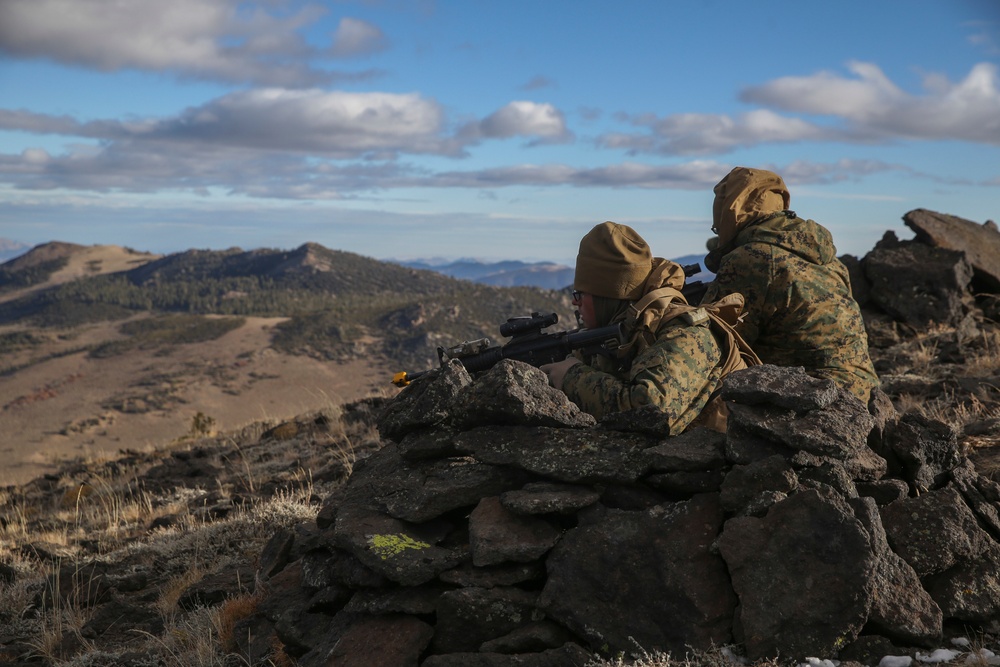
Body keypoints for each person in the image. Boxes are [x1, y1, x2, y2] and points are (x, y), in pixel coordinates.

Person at [540, 221, 758, 435]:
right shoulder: (620, 330)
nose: (574, 303)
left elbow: (652, 411)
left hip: (731, 460)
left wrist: (571, 377)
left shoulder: (685, 333)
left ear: (606, 298)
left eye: (580, 294)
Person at [701, 166, 879, 403]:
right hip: (865, 394)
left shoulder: (754, 257)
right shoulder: (826, 258)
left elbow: (714, 340)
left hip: (814, 398)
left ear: (732, 209)